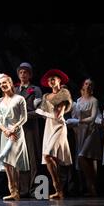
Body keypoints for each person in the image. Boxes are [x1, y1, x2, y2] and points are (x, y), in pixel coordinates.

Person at [36, 69, 73, 199]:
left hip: (58, 125)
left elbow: (60, 111)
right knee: (52, 158)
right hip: (49, 126)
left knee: (48, 156)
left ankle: (58, 185)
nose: (51, 81)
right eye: (49, 79)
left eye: (54, 78)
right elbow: (42, 111)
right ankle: (60, 190)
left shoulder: (64, 92)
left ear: (59, 80)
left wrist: (59, 112)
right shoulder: (46, 96)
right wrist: (40, 109)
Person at [0, 73, 29, 201]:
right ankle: (13, 190)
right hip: (5, 133)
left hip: (16, 132)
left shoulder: (19, 99)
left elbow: (24, 117)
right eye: (1, 84)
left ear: (10, 83)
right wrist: (5, 130)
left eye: (5, 82)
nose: (3, 85)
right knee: (6, 162)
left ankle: (16, 191)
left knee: (13, 161)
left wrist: (15, 128)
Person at [67, 78, 101, 197]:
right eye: (86, 84)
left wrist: (79, 121)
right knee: (88, 160)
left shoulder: (94, 101)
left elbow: (92, 117)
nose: (88, 86)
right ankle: (92, 188)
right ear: (83, 85)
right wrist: (74, 123)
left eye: (91, 84)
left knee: (83, 157)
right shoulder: (79, 100)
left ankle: (91, 186)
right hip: (82, 131)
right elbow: (75, 114)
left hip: (91, 131)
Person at [15, 62, 43, 197]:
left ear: (30, 74)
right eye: (20, 72)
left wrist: (23, 116)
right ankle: (23, 189)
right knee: (21, 159)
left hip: (30, 127)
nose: (23, 74)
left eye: (25, 72)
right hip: (17, 129)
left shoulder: (35, 89)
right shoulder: (15, 90)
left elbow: (39, 111)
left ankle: (34, 190)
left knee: (33, 158)